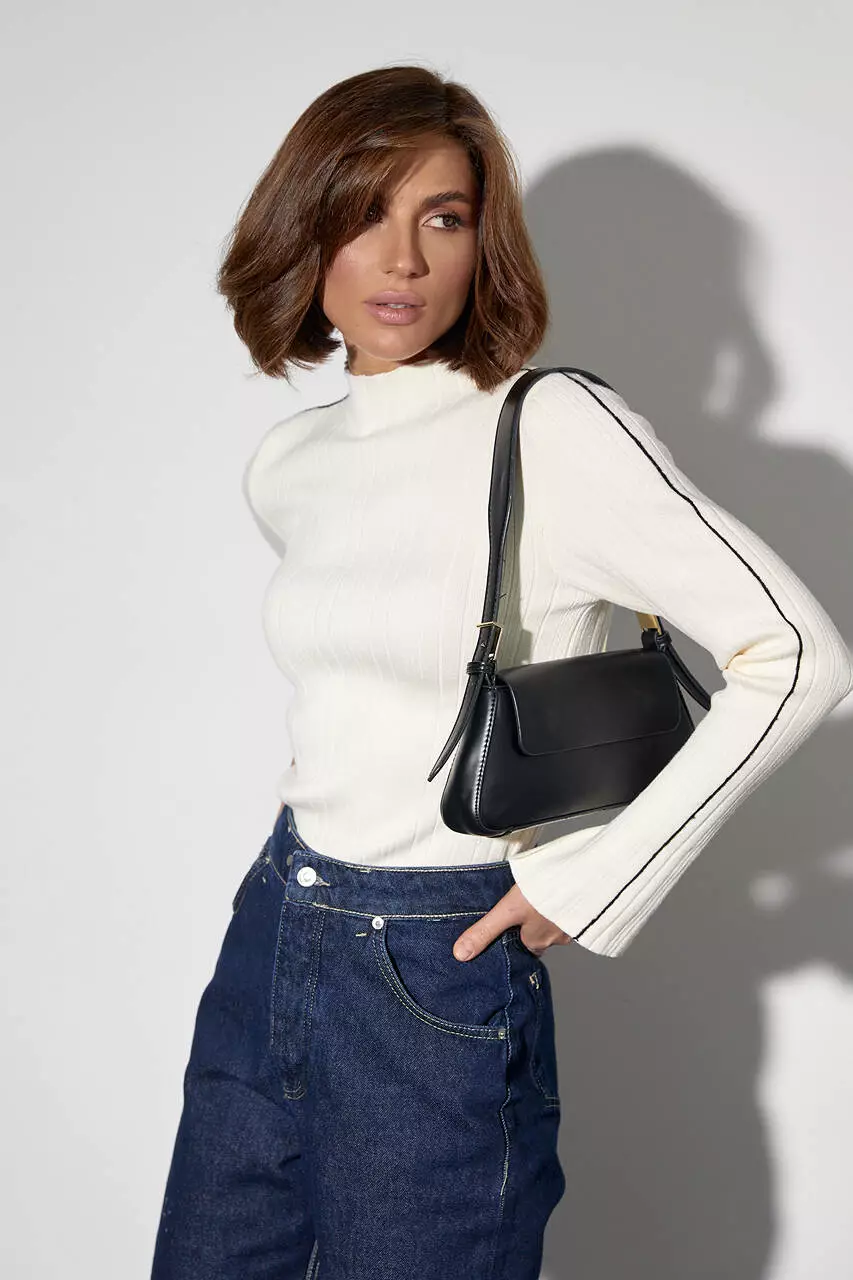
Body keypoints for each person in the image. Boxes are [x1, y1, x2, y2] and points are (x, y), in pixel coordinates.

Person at [150, 65, 853, 1280]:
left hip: (436, 964)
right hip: (275, 924)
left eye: (443, 217)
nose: (402, 259)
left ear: (485, 243)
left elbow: (795, 655)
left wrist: (590, 880)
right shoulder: (291, 461)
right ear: (304, 228)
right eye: (363, 213)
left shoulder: (552, 426)